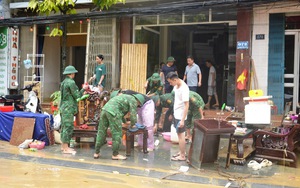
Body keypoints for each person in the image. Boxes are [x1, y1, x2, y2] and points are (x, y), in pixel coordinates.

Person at [93, 93, 145, 160]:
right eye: (139, 105)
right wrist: (133, 124)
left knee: (101, 131)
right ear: (138, 101)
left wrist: (125, 122)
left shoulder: (126, 96)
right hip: (113, 112)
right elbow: (133, 114)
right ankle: (115, 154)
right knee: (117, 133)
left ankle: (96, 152)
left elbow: (121, 111)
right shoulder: (133, 100)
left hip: (105, 110)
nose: (138, 106)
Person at [60, 65, 88, 154]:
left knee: (64, 126)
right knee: (68, 126)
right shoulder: (71, 82)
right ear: (72, 73)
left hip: (63, 106)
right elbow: (77, 95)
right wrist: (83, 89)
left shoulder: (63, 82)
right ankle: (66, 148)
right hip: (69, 107)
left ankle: (63, 146)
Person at [166, 71, 189, 161]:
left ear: (175, 80)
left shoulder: (184, 88)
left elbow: (187, 105)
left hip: (181, 116)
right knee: (179, 135)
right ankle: (182, 152)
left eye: (171, 82)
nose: (170, 84)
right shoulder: (176, 86)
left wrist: (183, 120)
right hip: (177, 113)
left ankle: (182, 156)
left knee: (181, 135)